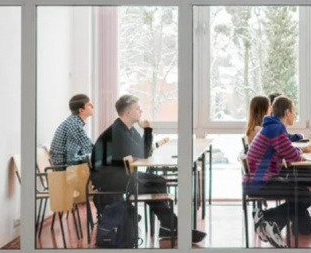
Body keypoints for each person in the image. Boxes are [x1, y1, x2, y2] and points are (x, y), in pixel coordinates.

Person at [91, 95, 206, 244]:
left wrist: (146, 131)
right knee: (152, 185)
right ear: (128, 112)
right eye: (138, 109)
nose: (141, 111)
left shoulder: (128, 129)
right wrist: (147, 129)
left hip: (120, 174)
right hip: (109, 180)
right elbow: (144, 153)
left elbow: (146, 151)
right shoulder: (118, 131)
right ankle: (172, 226)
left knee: (158, 181)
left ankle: (168, 225)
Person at [246, 96, 311, 247]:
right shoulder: (276, 128)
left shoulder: (272, 126)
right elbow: (292, 155)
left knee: (301, 193)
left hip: (260, 180)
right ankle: (267, 218)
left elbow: (288, 149)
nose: (295, 114)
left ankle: (269, 221)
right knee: (304, 196)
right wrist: (300, 153)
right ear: (287, 112)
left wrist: (298, 152)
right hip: (262, 183)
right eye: (294, 111)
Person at [49, 94, 95, 166]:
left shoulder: (72, 121)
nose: (93, 106)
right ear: (81, 110)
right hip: (64, 167)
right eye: (89, 105)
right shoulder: (74, 124)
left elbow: (84, 148)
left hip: (63, 164)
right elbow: (89, 147)